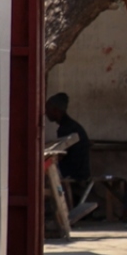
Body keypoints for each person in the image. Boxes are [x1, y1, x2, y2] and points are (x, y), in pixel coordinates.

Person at [44, 93, 96, 223]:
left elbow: (61, 156)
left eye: (47, 109)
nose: (45, 113)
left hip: (75, 172)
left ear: (56, 111)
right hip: (78, 169)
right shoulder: (71, 126)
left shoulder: (67, 129)